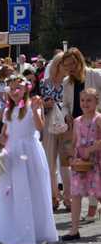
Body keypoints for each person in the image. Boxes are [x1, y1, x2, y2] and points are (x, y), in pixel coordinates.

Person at [0, 76, 58, 244]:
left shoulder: (31, 107)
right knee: (9, 192)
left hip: (29, 152)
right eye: (11, 88)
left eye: (18, 87)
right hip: (11, 153)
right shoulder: (7, 111)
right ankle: (6, 233)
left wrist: (35, 110)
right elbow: (4, 136)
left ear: (26, 89)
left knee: (30, 190)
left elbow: (40, 128)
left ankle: (33, 233)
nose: (14, 91)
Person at [61, 48, 101, 221]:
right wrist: (66, 114)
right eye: (66, 65)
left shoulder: (95, 74)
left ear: (80, 61)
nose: (70, 67)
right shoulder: (66, 82)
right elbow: (64, 104)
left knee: (95, 167)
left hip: (96, 124)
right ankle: (89, 207)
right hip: (78, 127)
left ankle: (92, 208)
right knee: (84, 166)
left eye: (72, 63)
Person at [62, 88, 101, 241]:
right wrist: (72, 157)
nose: (85, 103)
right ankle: (74, 230)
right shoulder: (77, 121)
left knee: (98, 194)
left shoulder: (98, 119)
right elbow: (73, 143)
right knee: (76, 195)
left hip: (96, 163)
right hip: (80, 165)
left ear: (96, 102)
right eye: (82, 100)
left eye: (89, 100)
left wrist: (91, 149)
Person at [39, 53, 72, 212]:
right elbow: (38, 105)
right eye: (64, 64)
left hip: (67, 124)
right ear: (57, 65)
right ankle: (53, 196)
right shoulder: (44, 83)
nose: (67, 68)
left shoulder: (70, 84)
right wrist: (45, 104)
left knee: (67, 162)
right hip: (49, 124)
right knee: (50, 162)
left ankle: (69, 197)